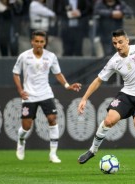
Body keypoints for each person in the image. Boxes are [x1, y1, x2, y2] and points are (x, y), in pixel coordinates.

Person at [77, 29, 135, 173]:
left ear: (127, 41)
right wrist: (84, 98)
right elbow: (98, 80)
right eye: (115, 43)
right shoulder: (114, 61)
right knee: (109, 120)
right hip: (127, 94)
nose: (118, 45)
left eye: (120, 42)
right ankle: (92, 150)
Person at [12, 30, 82, 163]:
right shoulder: (24, 56)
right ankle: (21, 141)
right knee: (26, 126)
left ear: (45, 43)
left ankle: (53, 154)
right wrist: (20, 90)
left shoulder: (51, 56)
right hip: (29, 95)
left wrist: (67, 85)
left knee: (52, 118)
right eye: (36, 41)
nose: (39, 44)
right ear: (32, 42)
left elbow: (58, 73)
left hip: (45, 93)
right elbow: (16, 73)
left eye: (41, 41)